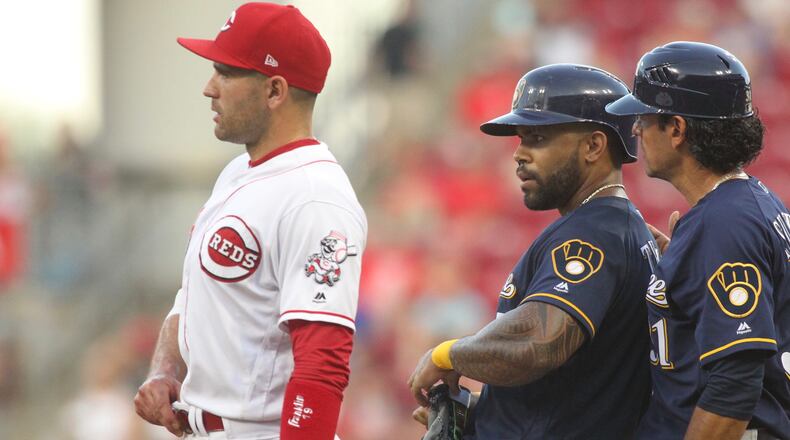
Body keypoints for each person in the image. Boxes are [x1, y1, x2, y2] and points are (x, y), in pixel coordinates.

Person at [133, 3, 367, 440]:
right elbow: (194, 295)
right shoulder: (239, 172)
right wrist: (166, 369)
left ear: (275, 91)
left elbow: (322, 365)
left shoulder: (316, 197)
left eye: (225, 71)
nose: (209, 88)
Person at [408, 64, 657, 439]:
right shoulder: (613, 225)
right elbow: (576, 390)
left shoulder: (594, 233)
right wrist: (481, 414)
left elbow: (541, 341)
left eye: (537, 138)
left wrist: (447, 354)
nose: (519, 154)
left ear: (593, 146)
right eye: (521, 139)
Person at [606, 41, 790, 440]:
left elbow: (734, 387)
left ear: (676, 129)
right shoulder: (744, 207)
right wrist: (687, 268)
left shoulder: (726, 225)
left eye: (644, 117)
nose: (635, 128)